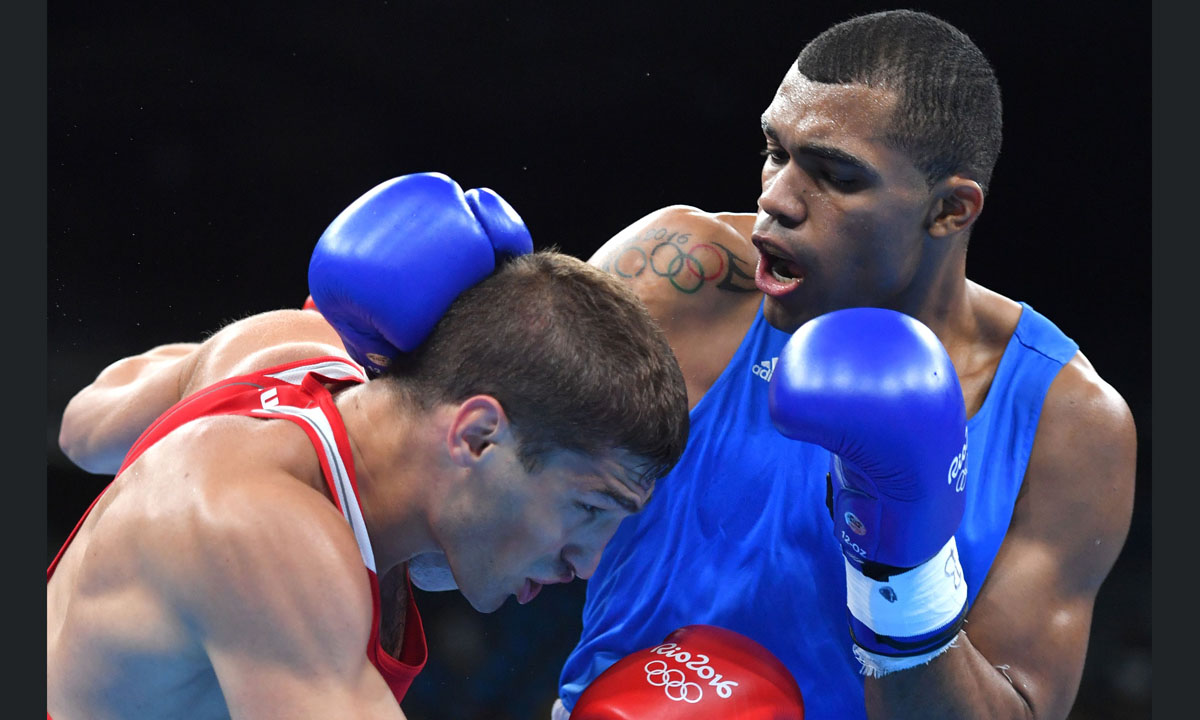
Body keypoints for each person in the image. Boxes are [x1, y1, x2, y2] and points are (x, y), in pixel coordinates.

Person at [555, 9, 1137, 720]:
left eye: (835, 176)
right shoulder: (681, 281)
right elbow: (480, 472)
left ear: (950, 210)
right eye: (776, 152)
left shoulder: (1065, 423)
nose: (775, 199)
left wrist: (902, 575)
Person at [48, 172, 691, 719]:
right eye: (589, 507)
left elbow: (82, 429)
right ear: (477, 436)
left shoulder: (289, 352)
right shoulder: (260, 532)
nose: (589, 563)